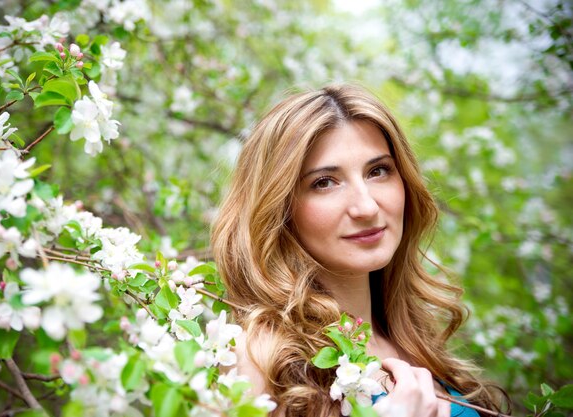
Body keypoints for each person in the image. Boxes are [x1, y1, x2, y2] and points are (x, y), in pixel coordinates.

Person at [211, 84, 508, 416]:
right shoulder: (259, 357)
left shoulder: (416, 341)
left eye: (378, 171)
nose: (366, 207)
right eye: (324, 182)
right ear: (278, 208)